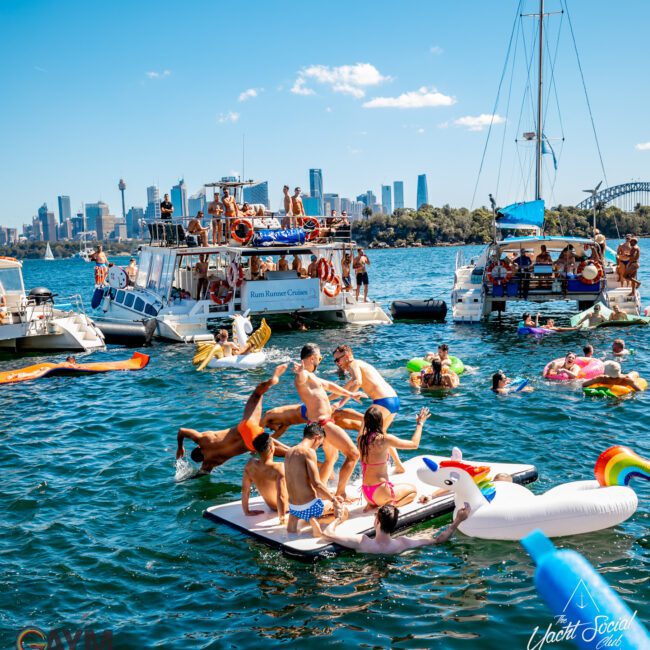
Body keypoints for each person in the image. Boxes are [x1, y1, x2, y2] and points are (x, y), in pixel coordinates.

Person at [176, 365, 290, 475]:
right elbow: (182, 431)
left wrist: (184, 478)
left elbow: (202, 473)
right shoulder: (202, 439)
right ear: (198, 447)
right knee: (257, 394)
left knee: (284, 452)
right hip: (245, 428)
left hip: (251, 445)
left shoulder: (210, 463)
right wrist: (180, 447)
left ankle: (297, 452)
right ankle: (271, 381)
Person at [293, 343, 364, 500]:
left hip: (322, 423)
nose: (320, 360)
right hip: (323, 424)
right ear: (312, 358)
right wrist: (299, 373)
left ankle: (320, 493)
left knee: (332, 458)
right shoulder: (304, 375)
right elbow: (300, 379)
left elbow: (329, 385)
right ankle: (340, 493)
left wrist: (351, 394)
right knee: (353, 454)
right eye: (319, 358)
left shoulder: (312, 377)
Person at [333, 344, 405, 473]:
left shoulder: (353, 364)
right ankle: (399, 466)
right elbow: (346, 387)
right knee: (382, 435)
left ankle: (366, 471)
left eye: (338, 360)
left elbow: (357, 382)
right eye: (335, 361)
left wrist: (341, 403)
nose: (337, 363)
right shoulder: (360, 364)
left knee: (362, 438)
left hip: (382, 402)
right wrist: (328, 399)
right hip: (393, 400)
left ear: (347, 356)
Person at [322, 502, 470, 555]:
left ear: (377, 521)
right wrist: (457, 520)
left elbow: (327, 533)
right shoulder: (403, 543)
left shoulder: (363, 542)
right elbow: (438, 540)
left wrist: (339, 519)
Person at [357, 406, 429, 510]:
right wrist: (420, 424)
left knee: (397, 486)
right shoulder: (385, 439)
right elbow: (414, 444)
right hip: (380, 491)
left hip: (366, 493)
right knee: (413, 491)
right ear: (380, 421)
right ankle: (388, 507)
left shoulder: (361, 440)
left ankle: (376, 503)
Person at [284, 423, 342, 536]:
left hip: (293, 507)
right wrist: (334, 500)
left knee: (299, 513)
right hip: (310, 506)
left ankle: (298, 521)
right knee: (344, 512)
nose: (318, 447)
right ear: (317, 437)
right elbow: (317, 484)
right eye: (320, 444)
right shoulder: (309, 452)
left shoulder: (289, 452)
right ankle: (314, 520)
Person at [241, 433, 288, 523]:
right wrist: (282, 520)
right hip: (286, 508)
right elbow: (281, 496)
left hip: (271, 507)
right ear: (271, 448)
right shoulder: (279, 468)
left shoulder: (250, 465)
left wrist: (246, 512)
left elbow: (245, 490)